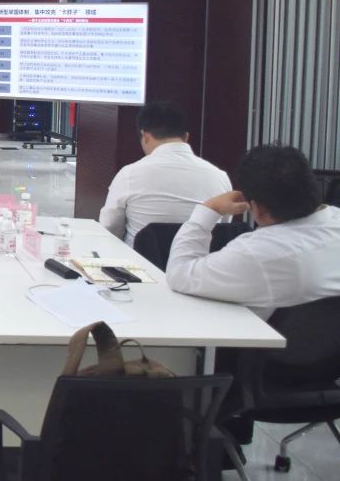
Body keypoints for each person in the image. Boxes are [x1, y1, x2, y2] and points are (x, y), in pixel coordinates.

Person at [167, 144, 340, 318]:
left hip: (259, 334)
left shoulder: (258, 253)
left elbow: (179, 275)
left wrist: (209, 208)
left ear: (258, 209)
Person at [100, 101, 232, 246]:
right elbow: (223, 225)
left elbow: (110, 228)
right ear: (186, 137)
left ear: (145, 136)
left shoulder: (129, 174)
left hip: (140, 259)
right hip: (200, 258)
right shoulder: (219, 176)